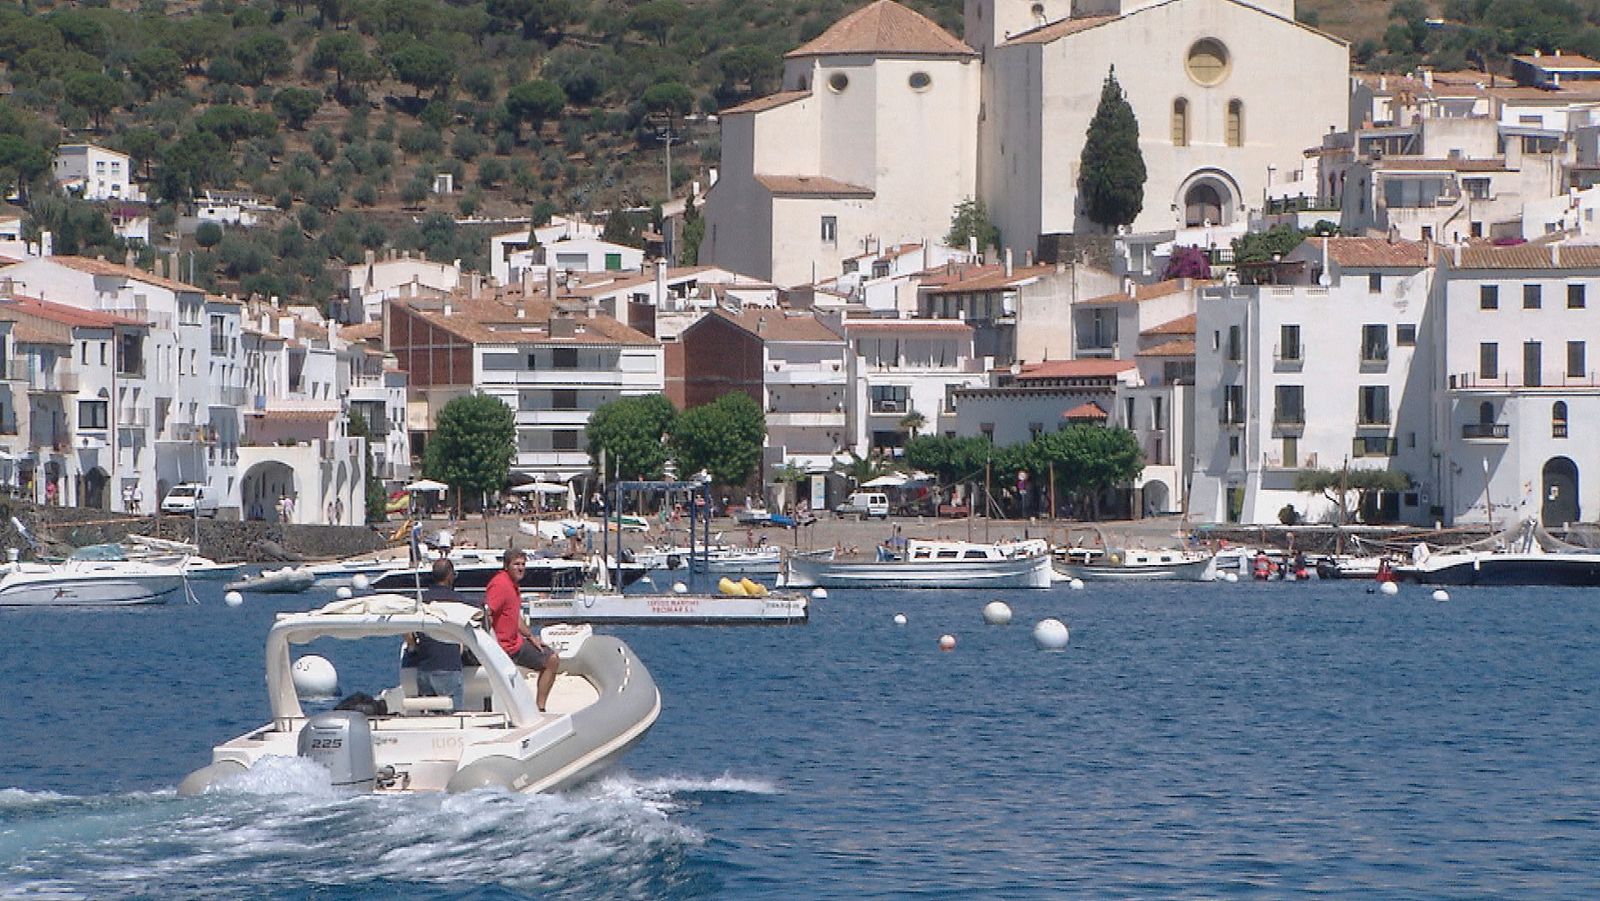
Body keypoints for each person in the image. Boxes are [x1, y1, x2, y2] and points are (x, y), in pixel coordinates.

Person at [485, 549, 559, 712]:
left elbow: (514, 616)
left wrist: (531, 636)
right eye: (516, 564)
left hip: (515, 643)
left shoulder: (512, 585)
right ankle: (538, 708)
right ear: (506, 566)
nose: (520, 568)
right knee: (551, 660)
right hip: (504, 648)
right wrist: (490, 647)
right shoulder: (500, 585)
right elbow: (488, 613)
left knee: (551, 659)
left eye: (523, 564)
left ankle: (540, 707)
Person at [402, 559, 482, 710]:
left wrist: (413, 646)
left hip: (424, 668)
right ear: (450, 576)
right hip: (449, 667)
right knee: (453, 716)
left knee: (430, 717)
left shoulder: (420, 600)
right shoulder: (459, 601)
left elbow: (405, 629)